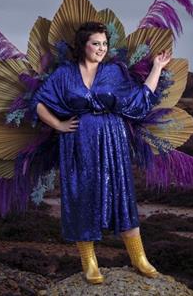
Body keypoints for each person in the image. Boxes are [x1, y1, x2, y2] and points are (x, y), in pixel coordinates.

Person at [29, 21, 172, 284]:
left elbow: (139, 99)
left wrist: (157, 68)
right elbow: (38, 102)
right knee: (81, 196)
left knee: (122, 193)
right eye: (96, 43)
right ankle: (89, 262)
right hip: (78, 143)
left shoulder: (114, 72)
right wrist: (59, 124)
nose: (101, 48)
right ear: (83, 45)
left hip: (112, 140)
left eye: (105, 44)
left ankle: (139, 257)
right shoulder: (64, 74)